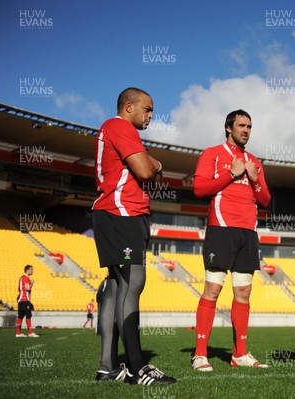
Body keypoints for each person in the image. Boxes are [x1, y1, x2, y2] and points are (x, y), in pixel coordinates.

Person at [92, 87, 175, 384]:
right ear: (129, 106)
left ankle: (108, 367)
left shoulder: (116, 129)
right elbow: (144, 169)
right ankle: (138, 367)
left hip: (116, 214)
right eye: (147, 109)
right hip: (122, 214)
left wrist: (150, 161)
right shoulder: (119, 126)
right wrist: (154, 162)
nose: (151, 115)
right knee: (133, 282)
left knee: (115, 288)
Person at [191, 109, 271, 372]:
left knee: (243, 293)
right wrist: (231, 174)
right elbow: (199, 189)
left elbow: (265, 200)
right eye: (241, 125)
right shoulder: (212, 154)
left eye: (249, 126)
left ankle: (240, 353)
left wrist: (255, 180)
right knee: (213, 290)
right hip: (221, 230)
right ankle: (200, 354)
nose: (246, 130)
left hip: (248, 233)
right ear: (229, 128)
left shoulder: (254, 162)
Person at [16, 265, 39, 338]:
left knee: (20, 316)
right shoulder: (25, 278)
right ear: (27, 270)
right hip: (25, 300)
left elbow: (19, 289)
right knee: (28, 315)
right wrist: (32, 283)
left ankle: (18, 333)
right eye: (31, 269)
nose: (33, 271)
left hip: (21, 300)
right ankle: (30, 332)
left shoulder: (21, 278)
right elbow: (27, 289)